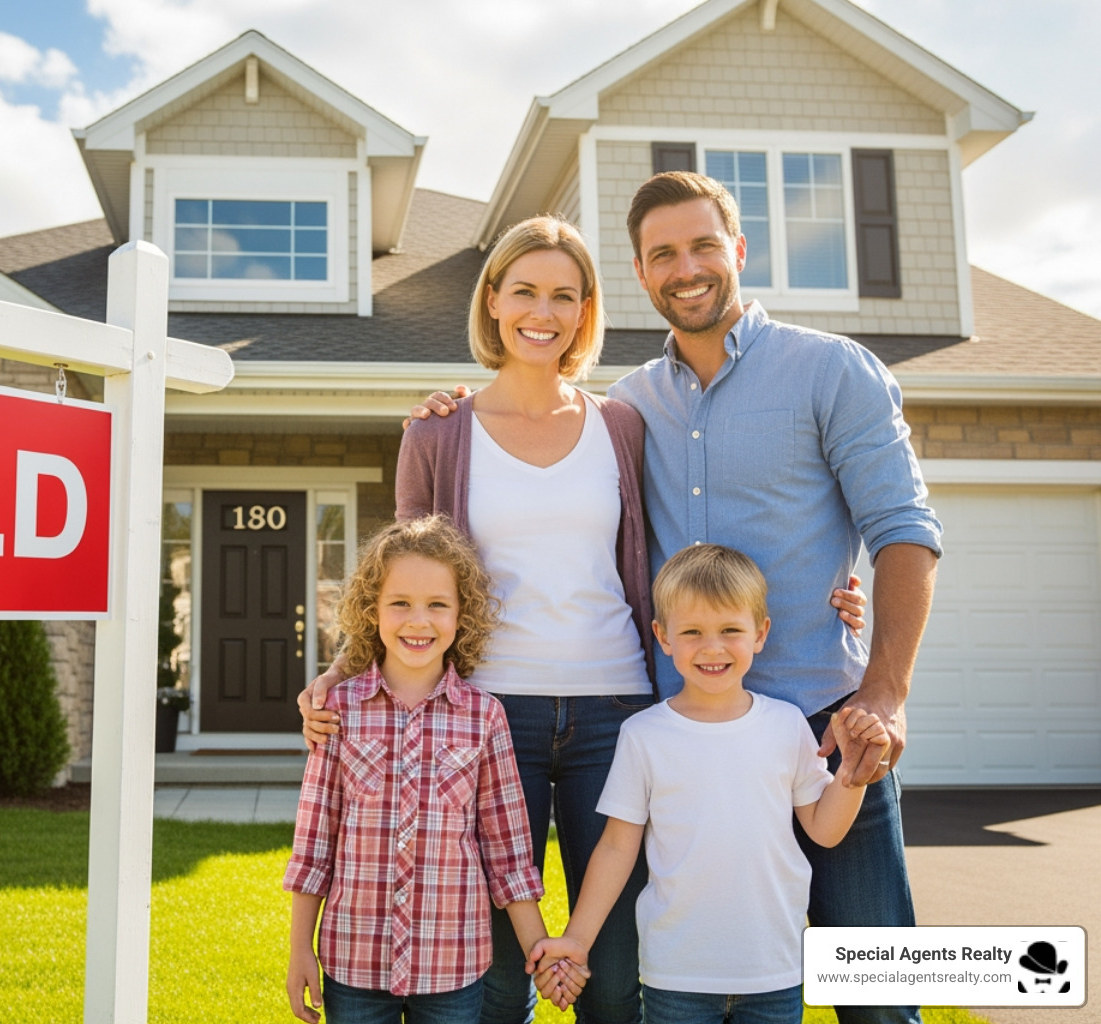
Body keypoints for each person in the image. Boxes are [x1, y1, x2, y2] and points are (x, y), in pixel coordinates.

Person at [300, 215, 867, 1024]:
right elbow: (405, 579)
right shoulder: (438, 433)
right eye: (525, 291)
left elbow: (699, 523)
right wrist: (344, 667)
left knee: (613, 969)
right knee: (500, 973)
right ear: (493, 301)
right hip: (491, 713)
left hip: (616, 709)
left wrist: (826, 588)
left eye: (564, 295)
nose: (544, 311)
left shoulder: (622, 422)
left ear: (585, 310)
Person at [411, 172, 941, 1024]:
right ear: (640, 273)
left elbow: (904, 529)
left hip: (822, 723)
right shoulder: (630, 407)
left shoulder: (829, 369)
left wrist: (884, 691)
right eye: (663, 254)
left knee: (877, 993)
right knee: (692, 977)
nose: (685, 268)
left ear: (739, 250)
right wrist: (452, 410)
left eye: (703, 246)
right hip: (683, 736)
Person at [525, 544, 889, 1024]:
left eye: (730, 631)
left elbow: (823, 829)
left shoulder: (787, 725)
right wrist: (577, 939)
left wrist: (852, 776)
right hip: (677, 975)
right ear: (663, 636)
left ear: (760, 634)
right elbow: (616, 847)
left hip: (773, 971)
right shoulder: (643, 735)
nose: (712, 647)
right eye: (692, 632)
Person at [284, 516, 565, 1023]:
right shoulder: (339, 711)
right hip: (354, 960)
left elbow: (507, 855)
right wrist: (299, 948)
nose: (419, 621)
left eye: (437, 604)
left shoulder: (484, 717)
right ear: (371, 611)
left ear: (462, 614)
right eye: (400, 603)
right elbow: (314, 844)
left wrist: (539, 951)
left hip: (452, 966)